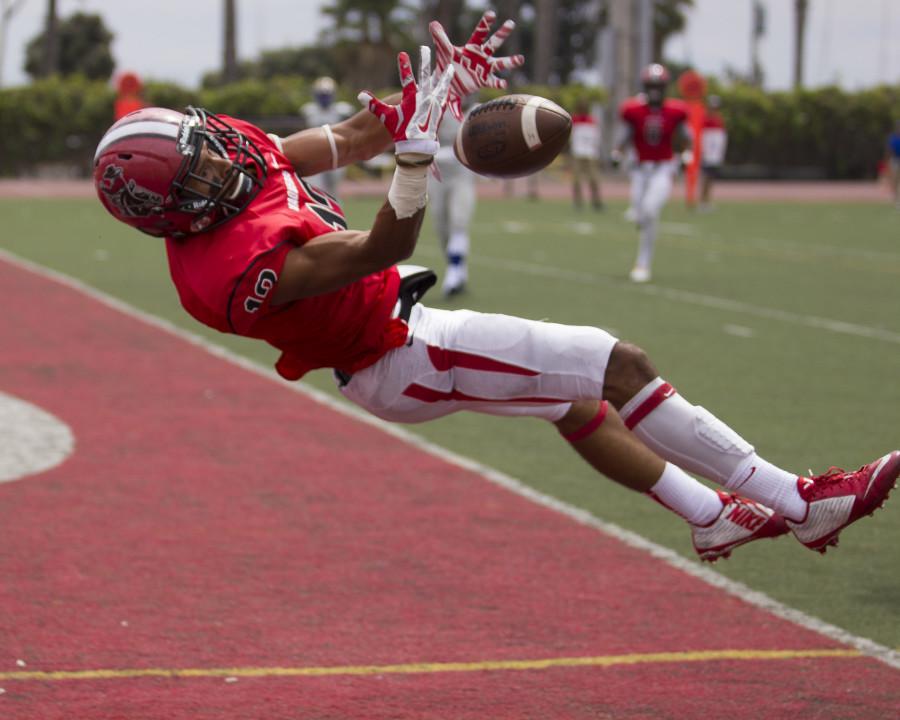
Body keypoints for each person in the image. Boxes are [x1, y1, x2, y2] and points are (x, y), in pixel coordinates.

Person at [93, 12, 898, 565]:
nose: (222, 158)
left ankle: (710, 516)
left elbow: (343, 137)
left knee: (575, 403)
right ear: (176, 212)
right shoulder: (228, 271)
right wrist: (414, 161)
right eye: (201, 167)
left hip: (402, 330)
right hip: (397, 355)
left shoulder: (234, 159)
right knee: (616, 363)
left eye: (205, 145)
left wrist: (440, 85)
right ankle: (798, 501)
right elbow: (385, 243)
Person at [612, 63, 691, 283]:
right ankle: (642, 222)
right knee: (639, 213)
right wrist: (616, 153)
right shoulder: (634, 110)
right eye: (651, 85)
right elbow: (624, 136)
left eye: (659, 85)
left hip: (663, 168)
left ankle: (642, 263)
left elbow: (685, 138)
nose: (655, 89)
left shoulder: (675, 111)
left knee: (649, 211)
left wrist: (687, 155)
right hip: (639, 170)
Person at [429, 103, 477, 297]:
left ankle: (454, 273)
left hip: (461, 173)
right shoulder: (437, 106)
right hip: (437, 174)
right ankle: (458, 269)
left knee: (459, 221)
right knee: (441, 226)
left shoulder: (477, 112)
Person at [299, 76, 355, 198]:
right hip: (315, 154)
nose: (324, 98)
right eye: (321, 95)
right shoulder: (309, 111)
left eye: (326, 95)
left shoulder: (342, 110)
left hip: (336, 154)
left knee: (333, 191)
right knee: (316, 189)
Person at [569, 99, 604, 211]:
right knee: (577, 179)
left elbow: (596, 137)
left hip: (590, 154)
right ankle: (577, 202)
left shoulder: (592, 120)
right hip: (578, 153)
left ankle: (596, 201)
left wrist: (597, 151)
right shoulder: (574, 120)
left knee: (594, 179)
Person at [699, 95, 727, 210]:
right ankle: (702, 201)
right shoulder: (705, 119)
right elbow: (703, 137)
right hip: (707, 153)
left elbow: (720, 138)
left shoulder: (719, 119)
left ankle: (707, 201)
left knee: (711, 178)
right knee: (705, 177)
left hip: (714, 154)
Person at [887, 119, 900, 208]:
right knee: (895, 180)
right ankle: (895, 199)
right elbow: (890, 150)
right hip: (895, 160)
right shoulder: (892, 138)